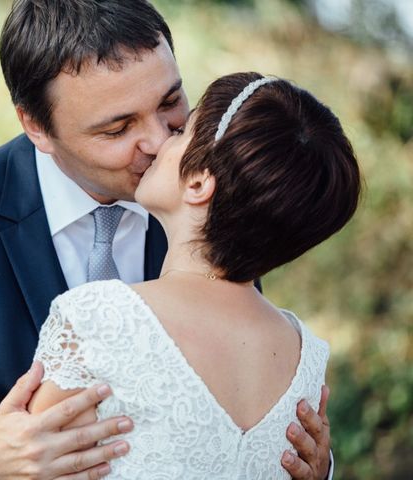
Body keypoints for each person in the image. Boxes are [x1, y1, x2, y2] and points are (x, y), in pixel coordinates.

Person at [0, 2, 334, 479]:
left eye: (170, 103)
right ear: (37, 126)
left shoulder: (208, 200)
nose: (159, 142)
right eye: (118, 128)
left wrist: (295, 459)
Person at [29, 72, 361, 479]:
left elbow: (26, 466)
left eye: (181, 130)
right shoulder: (305, 355)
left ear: (200, 182)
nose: (159, 142)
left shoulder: (99, 316)